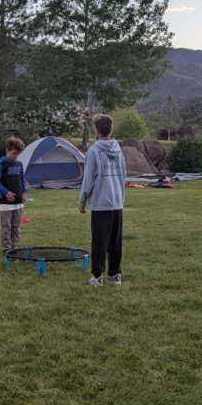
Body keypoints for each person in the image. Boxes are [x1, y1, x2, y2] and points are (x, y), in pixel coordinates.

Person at [79, 114, 127, 287]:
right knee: (115, 241)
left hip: (101, 203)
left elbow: (88, 179)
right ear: (111, 129)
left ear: (96, 130)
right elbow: (123, 174)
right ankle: (115, 274)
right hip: (117, 201)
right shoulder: (118, 150)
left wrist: (82, 200)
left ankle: (97, 276)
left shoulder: (94, 151)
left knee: (99, 241)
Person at [0, 136, 28, 253]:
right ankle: (7, 249)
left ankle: (14, 248)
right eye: (14, 153)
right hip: (5, 202)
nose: (16, 156)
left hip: (18, 202)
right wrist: (5, 192)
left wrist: (24, 192)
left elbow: (22, 180)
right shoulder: (0, 164)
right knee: (6, 227)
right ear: (7, 150)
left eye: (18, 154)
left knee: (16, 227)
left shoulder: (19, 164)